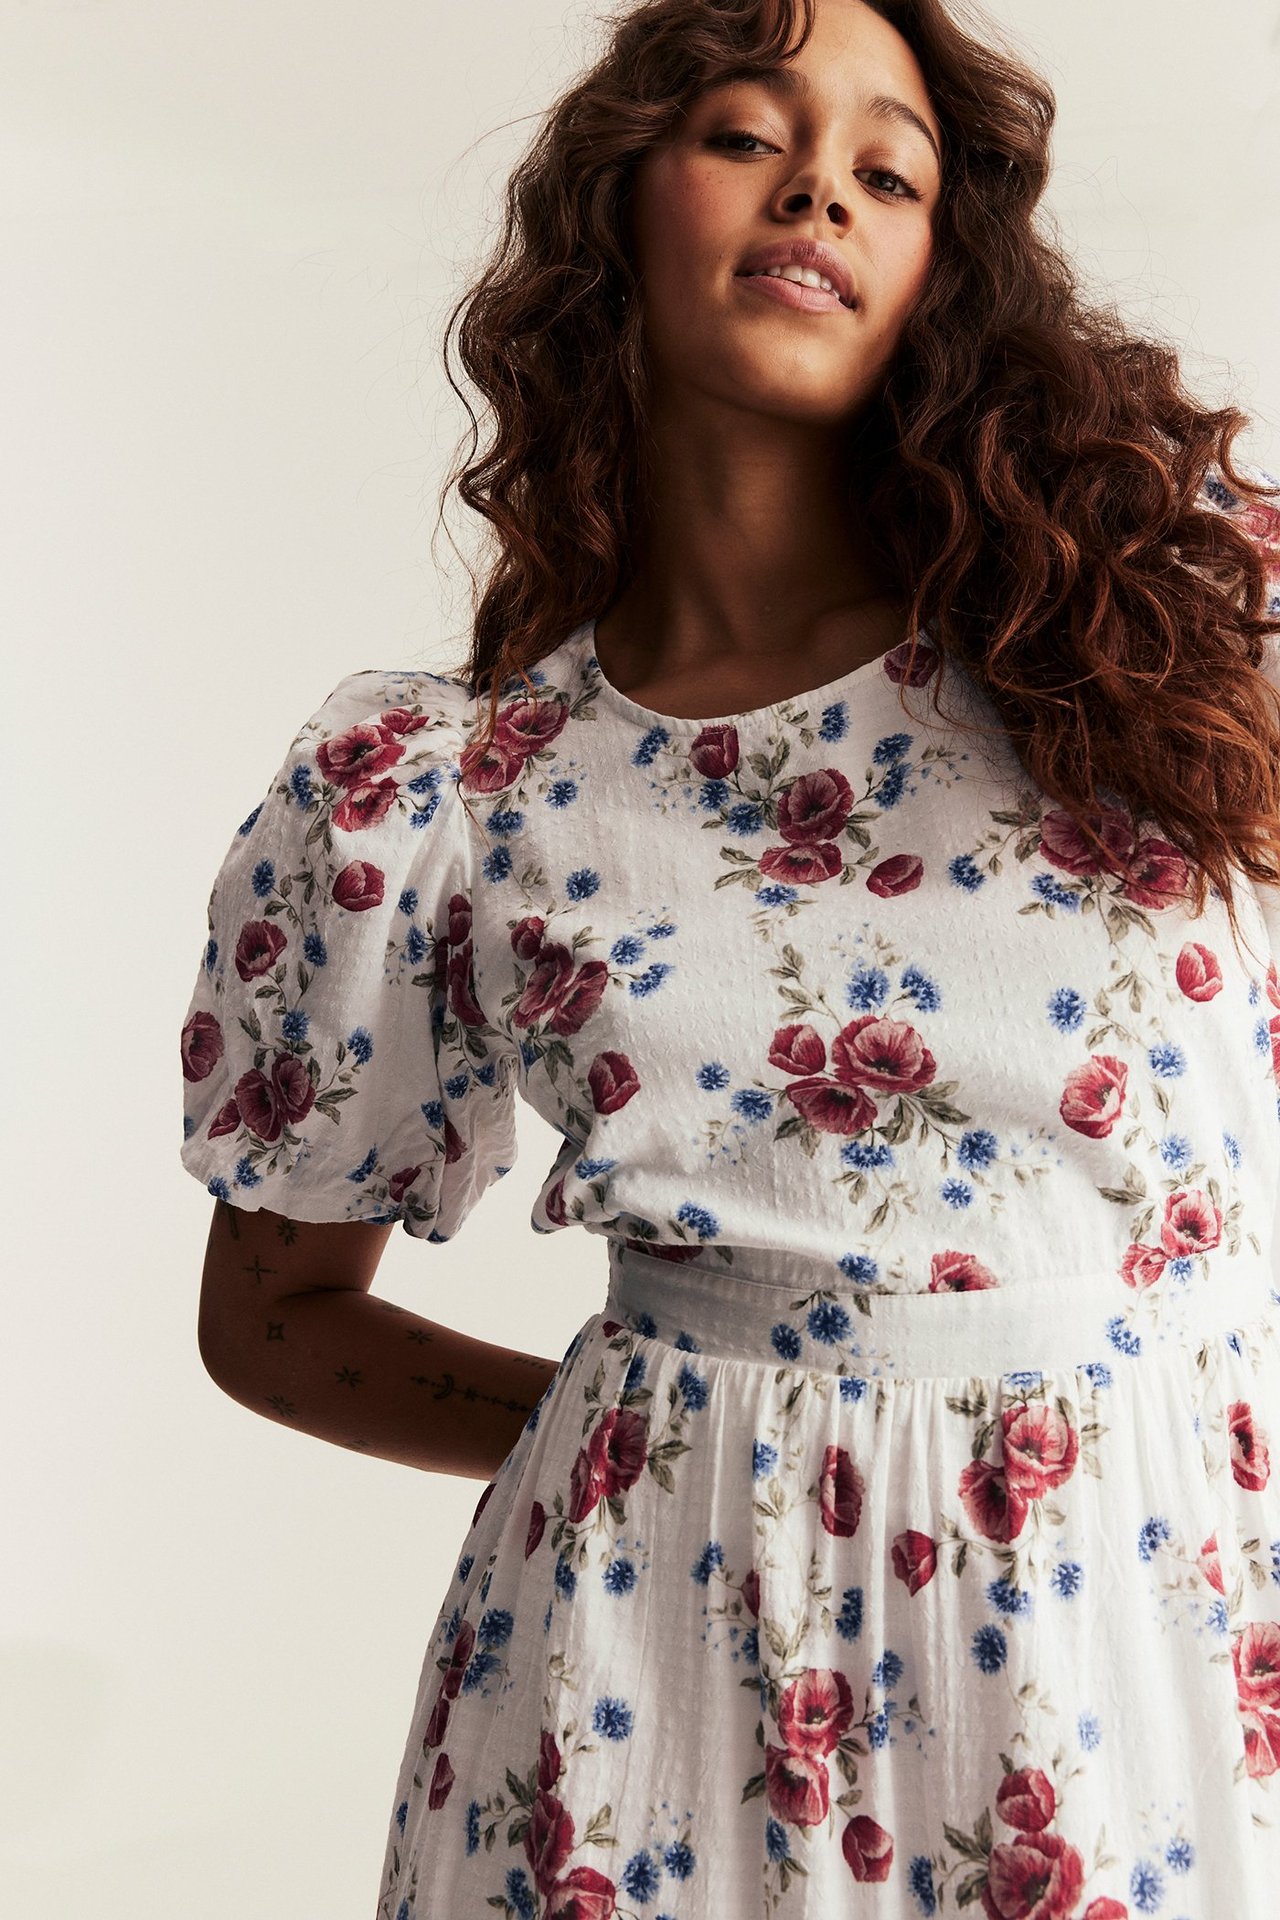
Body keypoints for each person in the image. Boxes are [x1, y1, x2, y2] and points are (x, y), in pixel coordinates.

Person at [177, 0, 1280, 1913]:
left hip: (1142, 1627)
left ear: (947, 265)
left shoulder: (1165, 625)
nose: (820, 191)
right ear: (618, 205)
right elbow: (271, 1313)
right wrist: (688, 1440)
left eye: (888, 169)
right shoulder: (445, 787)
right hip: (650, 1684)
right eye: (744, 133)